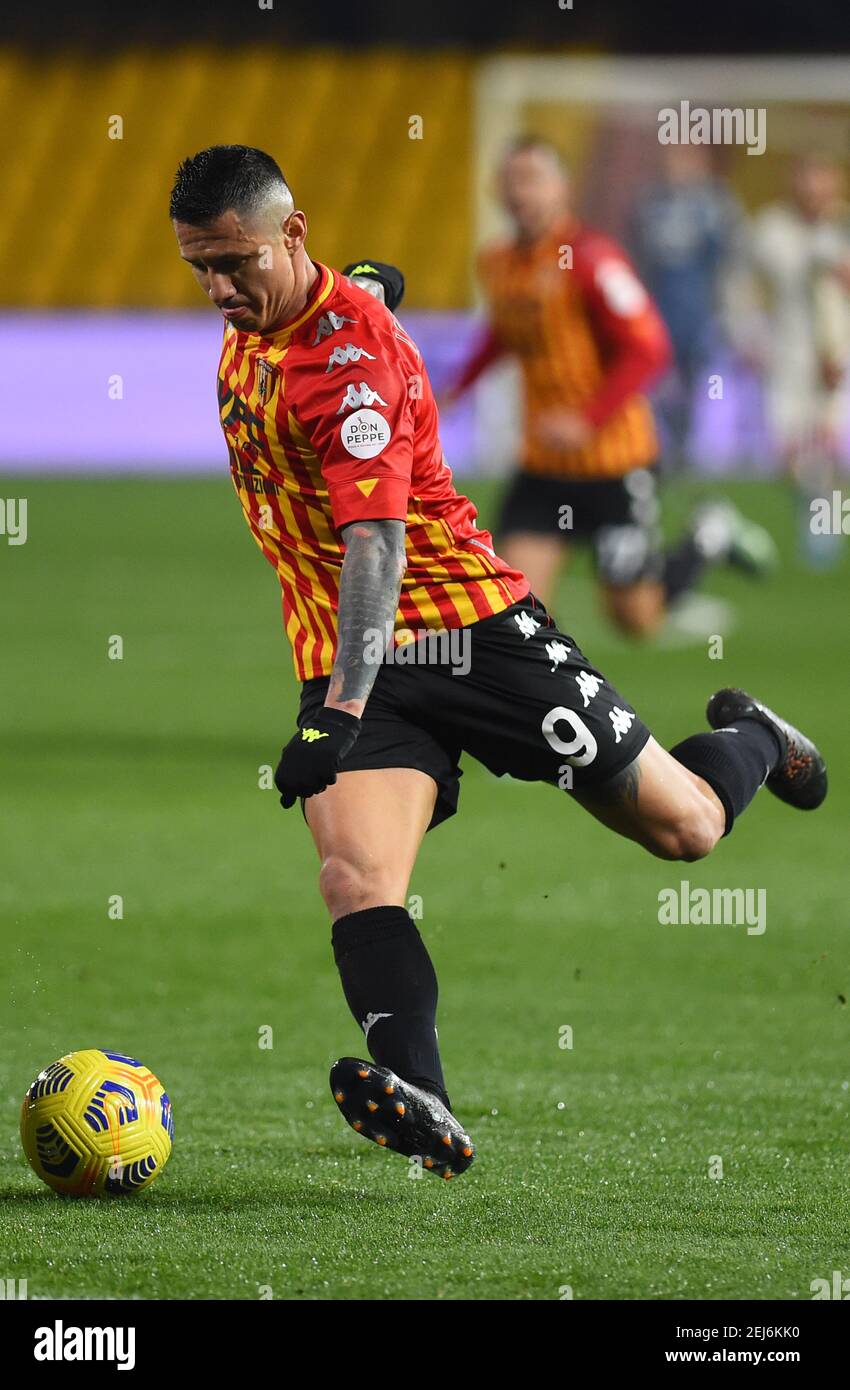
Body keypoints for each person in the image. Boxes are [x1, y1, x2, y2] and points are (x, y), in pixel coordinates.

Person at [171, 144, 827, 1181]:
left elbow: (375, 545)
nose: (217, 289)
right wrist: (370, 289)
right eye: (200, 266)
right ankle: (421, 1093)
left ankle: (752, 738)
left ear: (289, 235)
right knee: (353, 875)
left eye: (234, 263)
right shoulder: (278, 306)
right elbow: (345, 298)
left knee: (685, 829)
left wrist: (335, 716)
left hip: (469, 631)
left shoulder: (348, 369)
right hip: (356, 651)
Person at [443, 137, 776, 639]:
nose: (521, 192)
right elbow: (504, 334)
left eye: (533, 179)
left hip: (614, 463)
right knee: (512, 611)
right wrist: (456, 388)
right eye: (512, 180)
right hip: (544, 466)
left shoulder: (593, 260)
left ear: (562, 189)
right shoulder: (498, 263)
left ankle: (710, 534)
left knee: (635, 619)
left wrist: (587, 418)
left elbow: (649, 349)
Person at [724, 153, 850, 568]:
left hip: (839, 354)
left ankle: (825, 531)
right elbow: (739, 283)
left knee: (828, 443)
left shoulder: (843, 228)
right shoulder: (771, 230)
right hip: (788, 356)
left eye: (823, 182)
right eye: (807, 182)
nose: (815, 192)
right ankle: (818, 507)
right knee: (790, 453)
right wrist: (748, 336)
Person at [629, 144, 744, 472]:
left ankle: (686, 448)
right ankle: (658, 447)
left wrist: (729, 312)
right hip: (658, 313)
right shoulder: (650, 204)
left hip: (699, 315)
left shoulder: (716, 205)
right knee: (658, 383)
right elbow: (638, 259)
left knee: (696, 384)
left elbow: (728, 262)